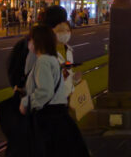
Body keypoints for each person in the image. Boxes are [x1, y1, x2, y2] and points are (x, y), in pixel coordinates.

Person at [20, 25, 90, 157]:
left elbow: (45, 92)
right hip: (58, 114)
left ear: (38, 41)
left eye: (31, 39)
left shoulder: (43, 62)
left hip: (48, 117)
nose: (29, 43)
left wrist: (26, 103)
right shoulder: (51, 60)